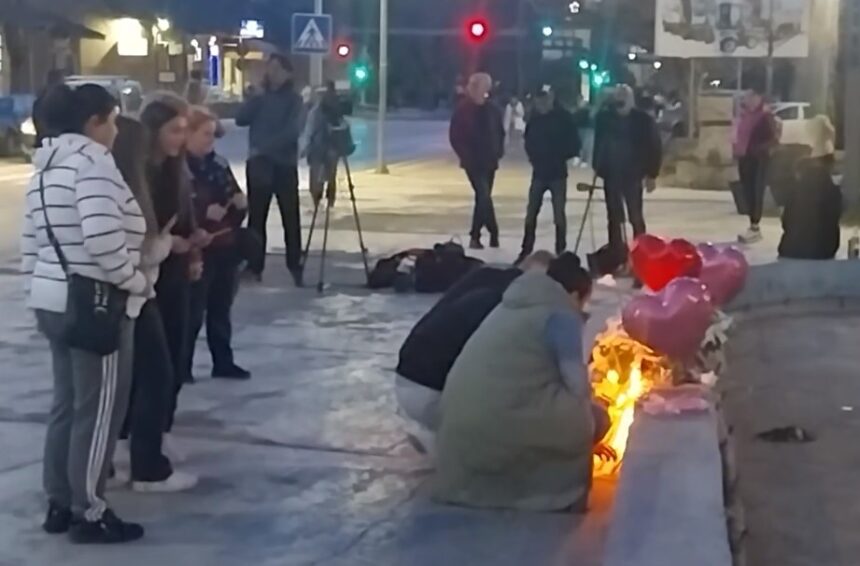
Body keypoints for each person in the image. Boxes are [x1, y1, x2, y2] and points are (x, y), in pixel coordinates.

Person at [20, 84, 149, 543]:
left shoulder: (45, 169)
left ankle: (59, 500)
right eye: (112, 121)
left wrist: (39, 287)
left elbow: (31, 244)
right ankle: (89, 510)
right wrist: (134, 281)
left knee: (67, 404)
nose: (116, 131)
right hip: (97, 304)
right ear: (94, 123)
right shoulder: (93, 166)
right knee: (98, 412)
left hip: (53, 298)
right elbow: (102, 238)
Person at [433, 253, 615, 512]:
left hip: (458, 424)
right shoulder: (560, 315)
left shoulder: (512, 304)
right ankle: (547, 490)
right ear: (575, 295)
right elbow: (577, 385)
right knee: (597, 418)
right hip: (503, 418)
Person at [112, 116, 199, 493]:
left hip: (132, 291)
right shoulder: (122, 188)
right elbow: (133, 252)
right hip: (128, 293)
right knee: (152, 375)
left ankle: (106, 466)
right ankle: (145, 467)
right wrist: (165, 244)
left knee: (121, 383)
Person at [395, 251, 555, 454]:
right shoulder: (510, 301)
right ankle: (444, 445)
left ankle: (437, 433)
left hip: (405, 377)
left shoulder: (483, 276)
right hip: (432, 392)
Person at [140, 95, 208, 457]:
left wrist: (193, 247)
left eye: (184, 130)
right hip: (148, 276)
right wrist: (171, 244)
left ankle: (161, 428)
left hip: (177, 272)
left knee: (178, 354)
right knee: (154, 365)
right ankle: (139, 438)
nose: (181, 138)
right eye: (174, 130)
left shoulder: (178, 170)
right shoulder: (140, 173)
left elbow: (186, 217)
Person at [185, 106, 251, 380]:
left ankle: (223, 361)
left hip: (224, 244)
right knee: (192, 312)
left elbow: (234, 197)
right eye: (205, 134)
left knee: (221, 308)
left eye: (213, 134)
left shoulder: (219, 164)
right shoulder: (180, 167)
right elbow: (174, 207)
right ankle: (182, 365)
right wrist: (202, 212)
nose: (210, 140)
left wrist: (239, 205)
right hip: (196, 249)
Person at [236, 54, 306, 285]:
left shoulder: (294, 100)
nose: (272, 73)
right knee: (257, 218)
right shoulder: (260, 97)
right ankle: (254, 266)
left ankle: (294, 263)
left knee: (290, 217)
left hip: (284, 164)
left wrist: (264, 148)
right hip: (259, 166)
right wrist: (252, 98)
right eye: (270, 68)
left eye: (277, 68)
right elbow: (240, 119)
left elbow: (292, 131)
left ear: (287, 73)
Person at [594, 84, 662, 260]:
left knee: (635, 216)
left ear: (631, 100)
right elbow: (599, 143)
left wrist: (652, 174)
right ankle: (616, 253)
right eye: (618, 99)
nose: (620, 103)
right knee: (614, 218)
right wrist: (599, 167)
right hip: (612, 174)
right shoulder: (605, 119)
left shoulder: (643, 120)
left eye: (624, 98)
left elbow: (654, 146)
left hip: (633, 175)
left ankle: (641, 252)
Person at [517, 88, 581, 263]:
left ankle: (560, 251)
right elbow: (528, 141)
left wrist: (560, 155)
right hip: (539, 172)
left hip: (557, 172)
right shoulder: (534, 119)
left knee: (558, 214)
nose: (541, 104)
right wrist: (534, 158)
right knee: (531, 212)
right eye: (539, 100)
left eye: (544, 100)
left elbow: (574, 142)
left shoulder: (563, 118)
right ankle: (526, 250)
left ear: (551, 99)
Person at [449, 72, 505, 250]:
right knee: (483, 195)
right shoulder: (463, 109)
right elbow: (455, 136)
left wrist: (498, 151)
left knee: (483, 198)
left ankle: (489, 234)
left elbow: (500, 132)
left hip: (490, 160)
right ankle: (480, 235)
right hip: (473, 162)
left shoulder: (493, 109)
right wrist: (464, 155)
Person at [778, 115, 841, 260]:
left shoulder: (795, 187)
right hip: (823, 252)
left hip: (791, 250)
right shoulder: (832, 190)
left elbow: (786, 220)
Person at [734, 88, 779, 244]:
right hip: (744, 157)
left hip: (758, 159)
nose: (746, 100)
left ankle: (755, 227)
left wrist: (759, 150)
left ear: (758, 98)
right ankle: (752, 225)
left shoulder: (765, 116)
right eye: (746, 97)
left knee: (756, 191)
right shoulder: (745, 115)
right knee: (747, 192)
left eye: (750, 97)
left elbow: (774, 138)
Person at [302, 81, 352, 206]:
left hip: (322, 149)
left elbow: (309, 131)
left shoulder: (319, 111)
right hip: (327, 149)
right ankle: (326, 200)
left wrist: (306, 147)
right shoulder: (326, 110)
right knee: (328, 176)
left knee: (320, 177)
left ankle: (321, 200)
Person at [32, 69, 66, 147]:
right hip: (58, 139)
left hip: (43, 139)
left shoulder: (40, 97)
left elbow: (36, 118)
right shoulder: (62, 97)